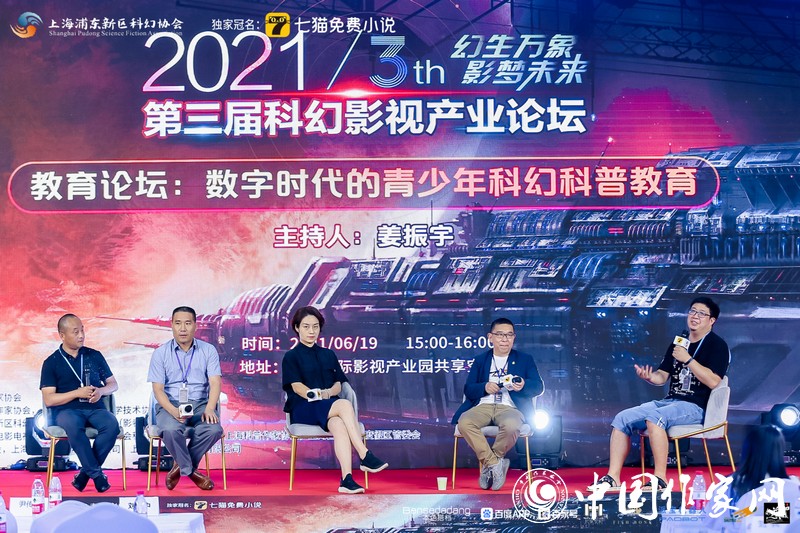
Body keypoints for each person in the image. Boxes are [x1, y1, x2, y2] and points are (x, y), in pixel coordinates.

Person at [596, 296, 730, 490]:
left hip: (696, 406)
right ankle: (613, 478)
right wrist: (649, 377)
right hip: (671, 402)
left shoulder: (717, 345)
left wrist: (688, 359)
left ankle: (659, 479)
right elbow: (662, 377)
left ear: (712, 320)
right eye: (693, 311)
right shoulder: (679, 343)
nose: (695, 316)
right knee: (622, 418)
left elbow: (714, 381)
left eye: (701, 314)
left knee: (655, 417)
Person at [282, 306, 388, 494]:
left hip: (329, 406)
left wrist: (328, 393)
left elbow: (339, 385)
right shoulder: (291, 356)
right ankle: (364, 454)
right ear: (297, 328)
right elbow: (297, 387)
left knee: (338, 424)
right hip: (304, 407)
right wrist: (316, 395)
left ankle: (346, 480)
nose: (311, 331)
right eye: (306, 326)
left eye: (315, 326)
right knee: (344, 404)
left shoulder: (328, 354)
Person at [451, 317, 544, 490]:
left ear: (514, 337)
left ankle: (489, 466)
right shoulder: (481, 360)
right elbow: (468, 389)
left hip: (510, 407)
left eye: (509, 335)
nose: (504, 339)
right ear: (490, 337)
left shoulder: (525, 359)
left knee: (511, 425)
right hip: (483, 406)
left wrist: (524, 385)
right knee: (464, 422)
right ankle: (495, 464)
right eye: (500, 334)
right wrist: (484, 387)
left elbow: (538, 387)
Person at [39, 314, 119, 493]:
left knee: (111, 425)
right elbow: (49, 399)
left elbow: (113, 384)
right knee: (73, 425)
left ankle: (85, 474)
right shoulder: (51, 362)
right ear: (62, 335)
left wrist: (101, 391)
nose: (81, 335)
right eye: (75, 332)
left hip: (95, 407)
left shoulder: (94, 355)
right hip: (67, 411)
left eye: (82, 330)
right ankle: (97, 475)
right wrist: (77, 393)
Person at [147, 306, 223, 490]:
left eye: (188, 323)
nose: (183, 328)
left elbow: (215, 382)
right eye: (178, 323)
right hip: (170, 404)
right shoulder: (160, 353)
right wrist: (173, 411)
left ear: (195, 326)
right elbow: (158, 390)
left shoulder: (208, 350)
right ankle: (192, 473)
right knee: (170, 429)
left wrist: (210, 408)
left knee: (214, 430)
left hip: (200, 404)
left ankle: (179, 466)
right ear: (171, 325)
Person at [704, 424, 800, 530]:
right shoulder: (793, 486)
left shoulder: (729, 485)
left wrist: (738, 517)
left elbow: (712, 522)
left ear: (747, 450)